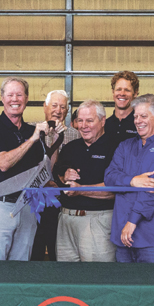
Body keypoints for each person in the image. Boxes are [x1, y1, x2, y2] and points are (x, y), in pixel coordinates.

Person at [104, 94, 154, 263]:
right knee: (124, 290)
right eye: (135, 116)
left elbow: (153, 190)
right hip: (123, 238)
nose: (138, 121)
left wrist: (132, 222)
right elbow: (109, 178)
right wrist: (132, 180)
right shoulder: (125, 146)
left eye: (143, 116)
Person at [0, 77, 46, 261]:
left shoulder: (30, 130)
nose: (14, 99)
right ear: (2, 98)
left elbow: (43, 170)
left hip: (27, 206)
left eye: (19, 94)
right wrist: (32, 140)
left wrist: (52, 141)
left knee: (21, 267)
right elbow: (3, 163)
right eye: (10, 95)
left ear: (26, 98)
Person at [54, 100, 118, 262]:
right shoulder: (71, 147)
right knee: (65, 279)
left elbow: (116, 190)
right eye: (80, 121)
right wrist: (65, 174)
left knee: (95, 279)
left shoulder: (116, 147)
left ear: (103, 121)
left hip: (97, 221)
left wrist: (80, 189)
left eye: (89, 120)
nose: (84, 125)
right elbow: (56, 175)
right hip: (66, 220)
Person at [31, 90, 81, 261]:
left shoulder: (75, 135)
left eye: (62, 107)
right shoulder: (32, 130)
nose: (58, 110)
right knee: (33, 250)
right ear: (44, 107)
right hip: (33, 202)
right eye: (54, 105)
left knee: (57, 252)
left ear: (67, 111)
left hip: (62, 202)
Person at [104, 71, 140, 142]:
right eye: (118, 89)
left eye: (127, 90)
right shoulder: (104, 125)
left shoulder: (140, 125)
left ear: (135, 93)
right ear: (113, 92)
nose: (122, 93)